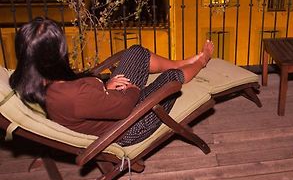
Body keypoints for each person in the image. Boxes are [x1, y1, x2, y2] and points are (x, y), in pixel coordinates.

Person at [9, 17, 214, 146]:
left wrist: (104, 87)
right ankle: (202, 62)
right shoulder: (71, 95)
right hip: (128, 126)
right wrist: (131, 90)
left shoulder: (31, 82)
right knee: (170, 80)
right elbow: (124, 108)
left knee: (135, 53)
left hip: (105, 103)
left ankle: (182, 62)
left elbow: (86, 102)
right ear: (56, 54)